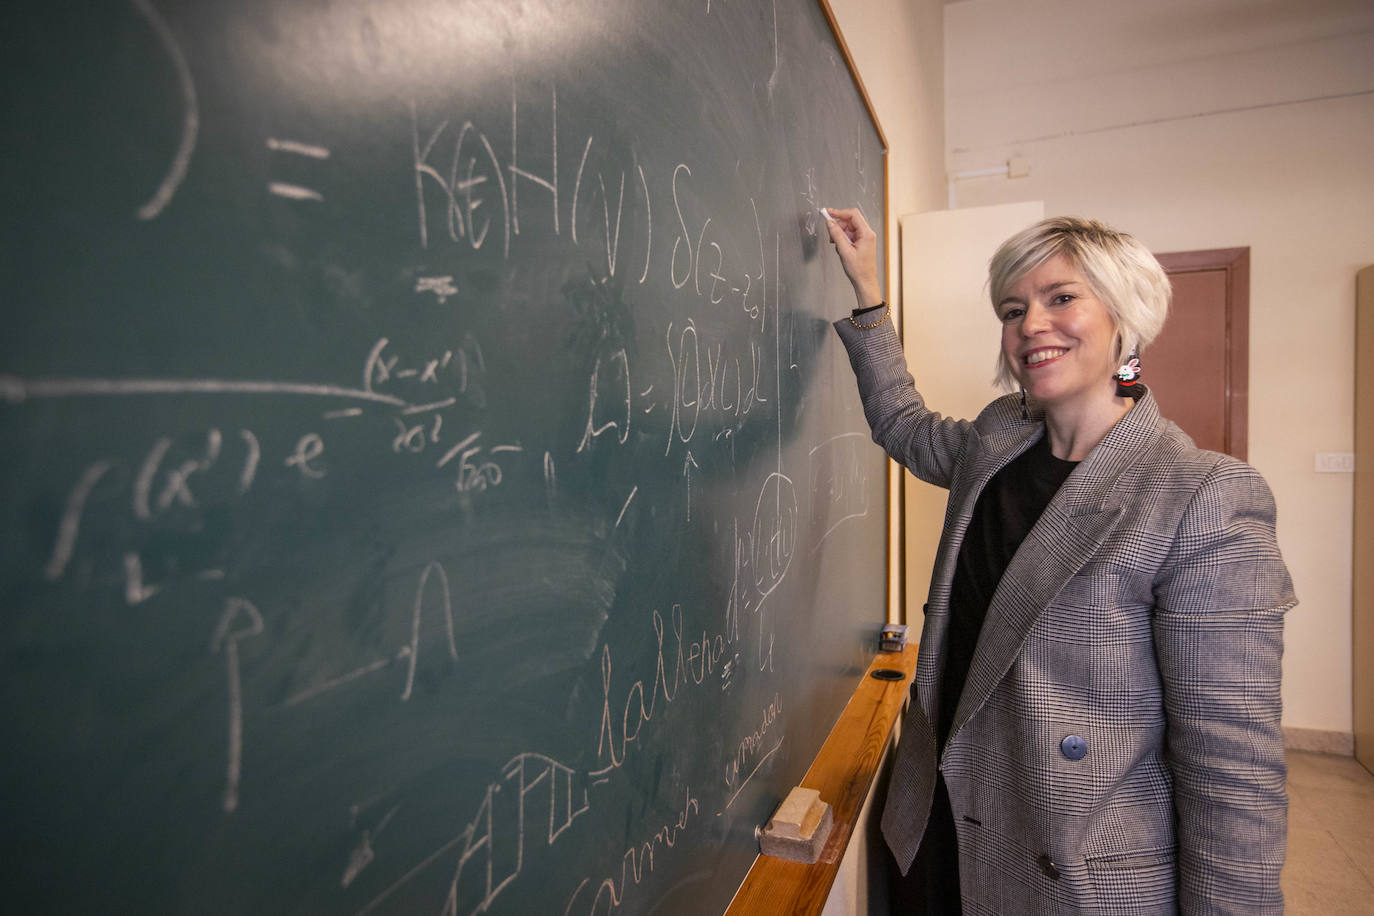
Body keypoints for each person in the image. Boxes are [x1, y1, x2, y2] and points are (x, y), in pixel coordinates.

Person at [824, 210, 1296, 914]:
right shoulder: (997, 439)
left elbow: (1230, 770)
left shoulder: (1202, 494)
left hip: (1064, 870)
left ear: (1124, 316)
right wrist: (868, 295)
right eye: (1013, 309)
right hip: (935, 820)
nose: (1030, 324)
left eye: (1062, 298)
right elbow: (903, 424)